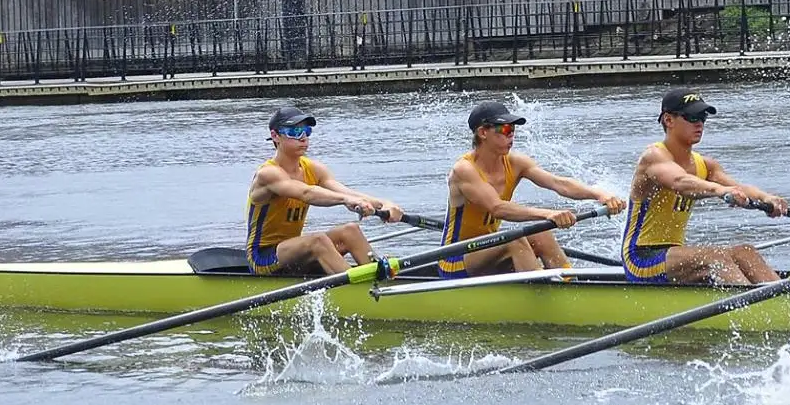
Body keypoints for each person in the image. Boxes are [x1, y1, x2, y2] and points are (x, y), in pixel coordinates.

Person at [620, 87, 790, 285]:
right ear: (668, 120)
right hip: (641, 259)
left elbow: (738, 187)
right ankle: (753, 311)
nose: (700, 123)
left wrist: (766, 198)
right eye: (692, 117)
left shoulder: (706, 165)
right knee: (714, 258)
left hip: (674, 255)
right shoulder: (653, 157)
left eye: (703, 117)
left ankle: (784, 305)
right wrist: (720, 191)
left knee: (746, 252)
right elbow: (680, 182)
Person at [437, 102, 626, 278]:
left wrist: (599, 194)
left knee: (539, 233)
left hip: (489, 249)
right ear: (482, 132)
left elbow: (559, 183)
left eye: (513, 129)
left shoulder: (516, 163)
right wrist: (547, 214)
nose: (511, 134)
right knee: (514, 240)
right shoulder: (464, 170)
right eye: (504, 129)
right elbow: (497, 208)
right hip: (455, 258)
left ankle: (571, 283)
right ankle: (546, 296)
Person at [244, 105, 405, 276]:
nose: (303, 138)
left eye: (306, 131)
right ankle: (359, 291)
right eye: (294, 132)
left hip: (295, 249)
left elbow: (345, 192)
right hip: (263, 257)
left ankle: (382, 280)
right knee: (318, 241)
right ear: (275, 136)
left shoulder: (314, 169)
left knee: (350, 231)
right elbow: (307, 193)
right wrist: (346, 201)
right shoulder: (267, 174)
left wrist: (383, 204)